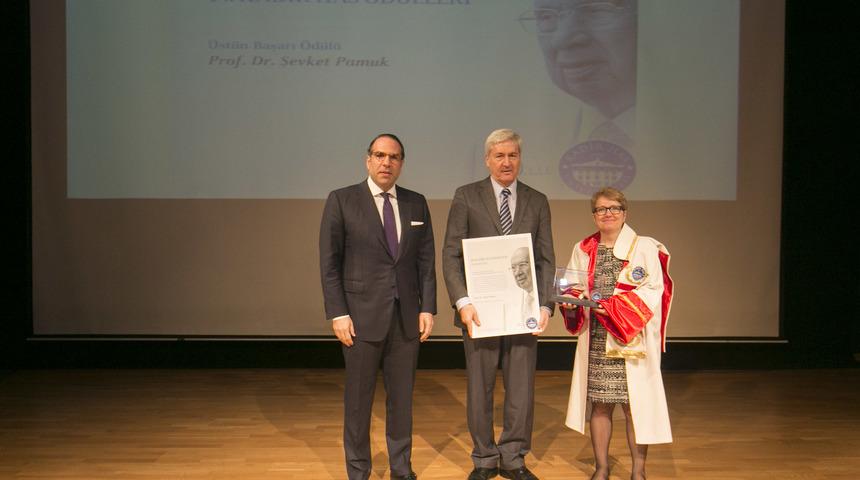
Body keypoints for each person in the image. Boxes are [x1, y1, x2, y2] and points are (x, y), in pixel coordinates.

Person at [319, 133, 436, 480]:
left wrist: (427, 308)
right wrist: (338, 312)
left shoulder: (416, 203)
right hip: (359, 318)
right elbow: (329, 263)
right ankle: (359, 471)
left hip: (405, 321)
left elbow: (425, 261)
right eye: (380, 155)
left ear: (402, 163)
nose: (387, 162)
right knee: (358, 403)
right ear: (367, 160)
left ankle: (402, 468)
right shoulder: (341, 200)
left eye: (394, 157)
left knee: (402, 403)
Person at [442, 129, 555, 480]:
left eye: (513, 155)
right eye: (499, 156)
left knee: (521, 386)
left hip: (524, 310)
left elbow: (545, 258)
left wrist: (546, 306)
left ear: (520, 158)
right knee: (480, 386)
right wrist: (462, 301)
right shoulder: (466, 196)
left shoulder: (538, 200)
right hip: (480, 310)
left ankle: (514, 457)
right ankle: (484, 459)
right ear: (487, 159)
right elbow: (451, 254)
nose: (506, 162)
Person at [558, 187, 673, 480]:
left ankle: (638, 470)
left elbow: (653, 291)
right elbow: (570, 285)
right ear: (594, 216)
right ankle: (602, 467)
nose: (607, 214)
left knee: (636, 407)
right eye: (601, 209)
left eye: (614, 208)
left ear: (625, 213)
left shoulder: (645, 247)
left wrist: (613, 309)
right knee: (600, 405)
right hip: (598, 340)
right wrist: (573, 297)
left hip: (631, 339)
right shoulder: (583, 247)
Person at [509, 246, 538, 325]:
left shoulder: (545, 297)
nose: (517, 273)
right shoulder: (511, 301)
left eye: (522, 265)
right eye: (513, 268)